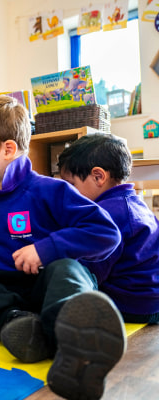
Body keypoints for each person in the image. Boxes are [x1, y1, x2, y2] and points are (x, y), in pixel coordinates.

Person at [0, 95, 126, 400]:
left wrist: (46, 249)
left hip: (48, 284)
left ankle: (68, 342)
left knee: (69, 268)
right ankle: (18, 322)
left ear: (7, 150)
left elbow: (106, 233)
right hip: (7, 295)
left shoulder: (51, 189)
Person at [58, 133, 159, 324]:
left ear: (98, 176)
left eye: (71, 185)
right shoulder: (135, 204)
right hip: (152, 303)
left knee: (62, 274)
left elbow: (89, 273)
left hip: (128, 305)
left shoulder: (106, 213)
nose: (68, 193)